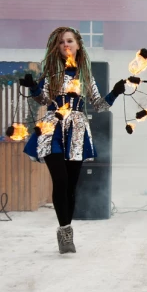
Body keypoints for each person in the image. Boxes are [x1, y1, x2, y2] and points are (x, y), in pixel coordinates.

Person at [19, 27, 125, 254]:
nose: (65, 45)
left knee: (71, 185)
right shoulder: (51, 73)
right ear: (56, 48)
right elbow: (43, 99)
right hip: (52, 128)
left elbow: (99, 105)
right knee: (61, 180)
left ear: (78, 45)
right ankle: (65, 232)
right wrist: (32, 86)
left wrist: (115, 92)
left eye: (69, 41)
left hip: (76, 129)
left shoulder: (85, 75)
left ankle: (66, 230)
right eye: (61, 42)